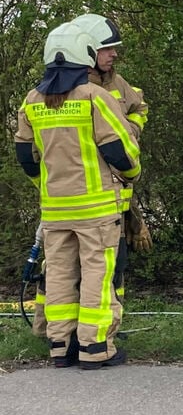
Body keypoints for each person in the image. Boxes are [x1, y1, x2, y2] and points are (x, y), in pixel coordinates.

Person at [14, 21, 140, 368]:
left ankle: (60, 345)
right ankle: (94, 347)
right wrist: (131, 175)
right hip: (96, 209)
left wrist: (46, 187)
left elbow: (26, 156)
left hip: (55, 211)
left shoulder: (32, 101)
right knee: (97, 276)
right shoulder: (94, 97)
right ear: (83, 55)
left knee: (58, 275)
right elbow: (119, 150)